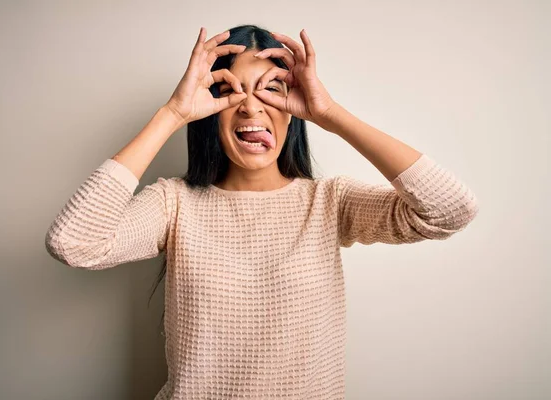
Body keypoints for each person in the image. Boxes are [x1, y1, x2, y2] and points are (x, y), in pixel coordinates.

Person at [45, 24, 479, 400]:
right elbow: (74, 243)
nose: (251, 107)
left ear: (295, 110)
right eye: (229, 91)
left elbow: (451, 210)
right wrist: (173, 112)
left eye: (271, 88)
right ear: (209, 112)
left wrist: (331, 114)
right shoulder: (174, 203)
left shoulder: (329, 202)